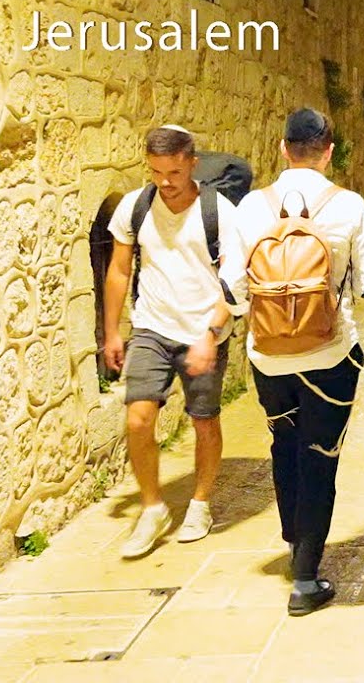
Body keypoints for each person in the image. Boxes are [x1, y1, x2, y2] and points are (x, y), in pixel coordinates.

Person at [222, 108, 364, 615]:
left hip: (268, 357)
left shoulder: (251, 206)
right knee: (320, 455)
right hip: (331, 355)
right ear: (329, 152)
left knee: (283, 443)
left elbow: (232, 290)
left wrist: (268, 312)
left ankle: (295, 541)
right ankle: (307, 577)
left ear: (283, 148)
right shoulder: (349, 205)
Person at [103, 125, 235, 559]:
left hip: (204, 331)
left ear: (192, 164)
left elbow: (235, 282)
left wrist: (211, 335)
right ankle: (152, 507)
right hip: (152, 328)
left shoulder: (219, 212)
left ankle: (200, 503)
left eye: (174, 172)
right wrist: (112, 330)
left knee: (204, 421)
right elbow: (119, 270)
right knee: (138, 419)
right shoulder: (134, 207)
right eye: (156, 172)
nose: (165, 181)